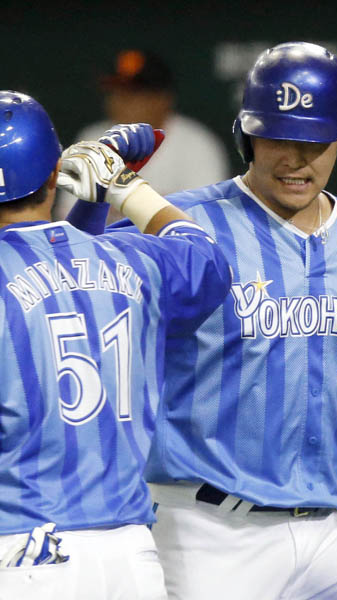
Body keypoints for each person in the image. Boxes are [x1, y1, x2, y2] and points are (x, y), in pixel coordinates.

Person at [67, 42, 337, 600]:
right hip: (208, 534)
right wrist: (93, 200)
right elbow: (72, 289)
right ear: (246, 133)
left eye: (313, 141)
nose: (295, 159)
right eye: (278, 137)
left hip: (331, 534)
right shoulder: (189, 227)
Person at [0, 92, 231, 600]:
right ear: (55, 171)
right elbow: (208, 261)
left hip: (22, 550)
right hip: (128, 556)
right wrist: (121, 188)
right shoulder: (130, 259)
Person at [54, 48, 230, 222]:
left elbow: (204, 222)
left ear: (163, 99)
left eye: (132, 95)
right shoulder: (92, 139)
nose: (119, 102)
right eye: (114, 93)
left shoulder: (196, 146)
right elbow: (70, 222)